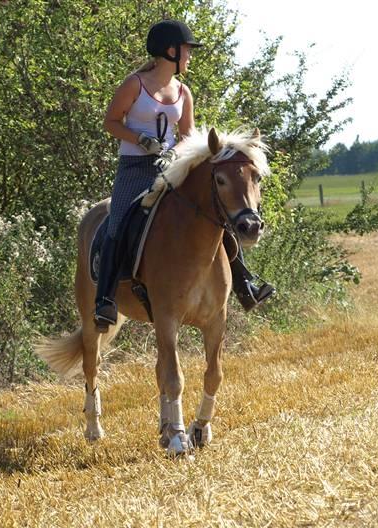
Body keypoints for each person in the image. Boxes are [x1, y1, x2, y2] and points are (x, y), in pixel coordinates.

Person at [94, 19, 274, 331]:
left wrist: (191, 156)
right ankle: (105, 301)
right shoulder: (134, 85)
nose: (189, 56)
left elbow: (188, 135)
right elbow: (110, 122)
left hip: (171, 165)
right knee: (118, 222)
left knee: (216, 214)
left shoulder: (183, 91)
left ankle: (245, 284)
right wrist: (140, 140)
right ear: (170, 51)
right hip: (135, 168)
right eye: (187, 50)